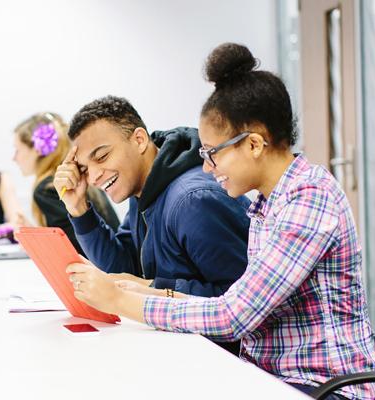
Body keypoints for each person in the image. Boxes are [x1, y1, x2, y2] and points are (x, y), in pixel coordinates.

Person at [66, 43, 375, 400]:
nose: (206, 167)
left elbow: (235, 315)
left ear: (253, 144)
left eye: (213, 153)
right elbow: (237, 300)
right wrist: (145, 289)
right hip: (273, 376)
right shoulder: (271, 202)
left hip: (326, 388)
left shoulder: (309, 199)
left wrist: (122, 301)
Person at [53, 95, 251, 356]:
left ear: (139, 140)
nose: (93, 176)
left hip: (223, 361)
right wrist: (78, 208)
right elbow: (121, 269)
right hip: (182, 347)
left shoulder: (193, 202)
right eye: (84, 168)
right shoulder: (144, 191)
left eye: (101, 156)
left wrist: (147, 288)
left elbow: (240, 303)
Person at [12, 112, 119, 254]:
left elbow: (72, 249)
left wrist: (32, 241)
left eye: (17, 150)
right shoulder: (84, 177)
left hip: (100, 269)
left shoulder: (47, 189)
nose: (14, 158)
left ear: (37, 149)